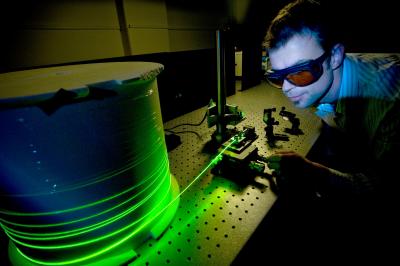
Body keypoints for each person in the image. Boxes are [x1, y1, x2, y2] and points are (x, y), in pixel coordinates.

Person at [260, 0, 400, 263]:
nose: (288, 88)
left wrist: (314, 173)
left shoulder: (391, 101)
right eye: (278, 77)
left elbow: (384, 192)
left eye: (300, 72)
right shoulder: (322, 80)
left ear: (335, 56)